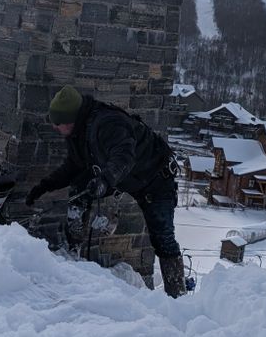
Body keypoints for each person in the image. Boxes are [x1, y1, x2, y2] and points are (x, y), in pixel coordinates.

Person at [25, 85, 186, 297]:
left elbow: (124, 157)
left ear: (71, 120)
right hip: (127, 179)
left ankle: (177, 296)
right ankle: (73, 249)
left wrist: (104, 181)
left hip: (156, 178)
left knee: (163, 237)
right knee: (79, 187)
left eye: (58, 124)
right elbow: (73, 166)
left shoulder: (108, 123)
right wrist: (44, 186)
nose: (55, 128)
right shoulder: (78, 133)